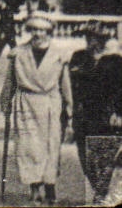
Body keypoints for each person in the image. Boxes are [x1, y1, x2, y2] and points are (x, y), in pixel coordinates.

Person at [0, 14, 73, 206]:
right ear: (30, 31)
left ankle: (50, 188)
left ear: (49, 32)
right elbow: (10, 81)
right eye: (34, 30)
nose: (38, 34)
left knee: (50, 147)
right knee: (28, 147)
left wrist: (70, 107)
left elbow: (65, 84)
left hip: (50, 103)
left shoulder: (59, 55)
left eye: (42, 30)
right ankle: (34, 191)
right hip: (26, 104)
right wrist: (6, 102)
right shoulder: (18, 53)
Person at [70, 21, 122, 203]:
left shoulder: (115, 61)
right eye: (87, 37)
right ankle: (99, 192)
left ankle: (102, 195)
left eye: (94, 37)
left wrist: (119, 112)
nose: (90, 41)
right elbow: (71, 86)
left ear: (102, 40)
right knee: (86, 159)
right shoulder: (78, 57)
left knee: (105, 157)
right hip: (83, 115)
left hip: (105, 115)